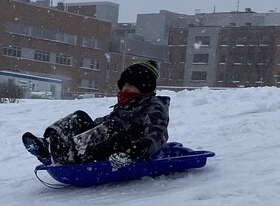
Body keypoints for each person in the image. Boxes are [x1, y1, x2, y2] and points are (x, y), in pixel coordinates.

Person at [22, 60, 170, 168]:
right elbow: (108, 121)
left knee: (112, 127)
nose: (125, 88)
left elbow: (158, 133)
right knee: (81, 117)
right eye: (123, 84)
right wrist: (89, 126)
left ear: (144, 88)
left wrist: (138, 148)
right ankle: (49, 144)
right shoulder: (126, 105)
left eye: (130, 85)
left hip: (126, 147)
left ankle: (65, 153)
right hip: (108, 140)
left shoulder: (152, 106)